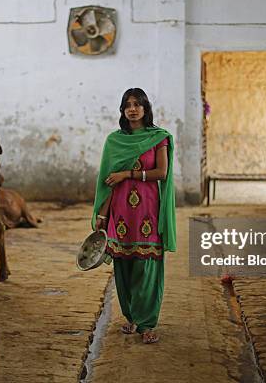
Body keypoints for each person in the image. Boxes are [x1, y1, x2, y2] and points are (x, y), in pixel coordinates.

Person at [92, 87, 176, 344]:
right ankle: (132, 317)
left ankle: (147, 322)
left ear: (145, 108)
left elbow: (161, 173)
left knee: (147, 265)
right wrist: (102, 216)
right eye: (127, 104)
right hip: (120, 213)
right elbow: (108, 183)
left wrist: (127, 174)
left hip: (148, 211)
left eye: (137, 104)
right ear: (122, 109)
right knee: (124, 266)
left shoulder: (158, 138)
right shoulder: (114, 141)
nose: (132, 108)